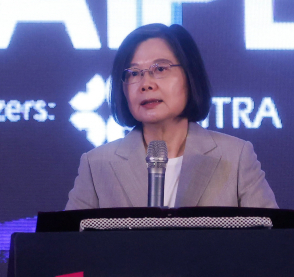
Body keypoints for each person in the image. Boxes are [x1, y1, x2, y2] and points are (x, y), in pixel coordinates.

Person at [65, 23, 278, 209]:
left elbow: (271, 243)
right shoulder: (97, 165)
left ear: (189, 76)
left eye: (160, 69)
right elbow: (69, 248)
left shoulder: (236, 157)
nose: (146, 83)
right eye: (133, 73)